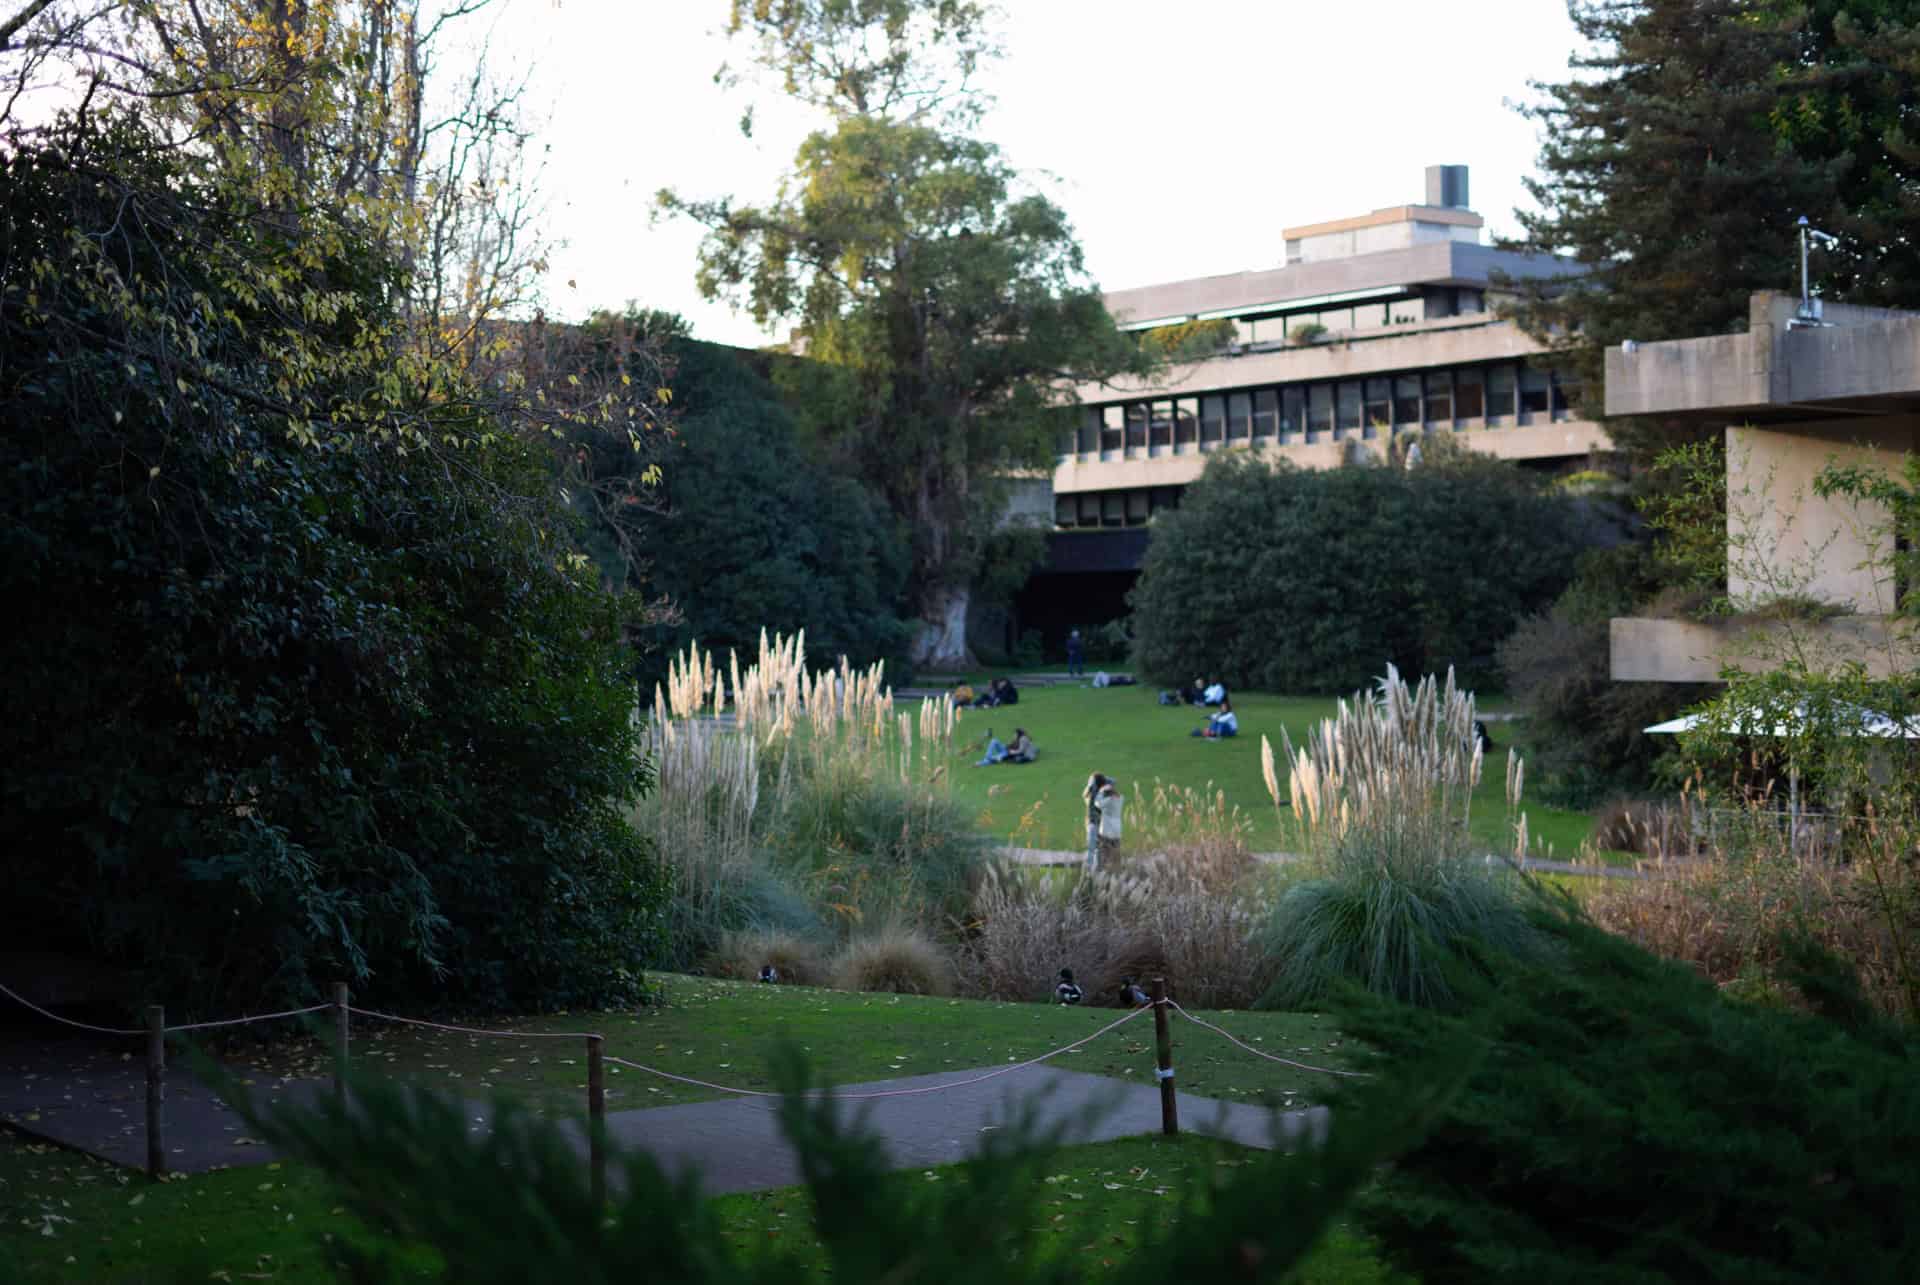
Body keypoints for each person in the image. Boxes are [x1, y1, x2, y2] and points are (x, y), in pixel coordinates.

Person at [1095, 778, 1124, 868]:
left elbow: (1097, 804)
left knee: (1103, 854)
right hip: (1117, 831)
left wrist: (1100, 792)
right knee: (1116, 854)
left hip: (1106, 832)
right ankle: (1117, 871)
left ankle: (1102, 871)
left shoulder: (1108, 800)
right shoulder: (1120, 797)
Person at [1082, 773, 1108, 871]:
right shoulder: (1099, 794)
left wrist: (1092, 782)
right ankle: (1095, 870)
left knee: (1093, 849)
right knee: (1096, 849)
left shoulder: (1092, 794)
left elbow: (1085, 794)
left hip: (1094, 824)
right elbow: (1113, 781)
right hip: (1097, 825)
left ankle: (1091, 871)